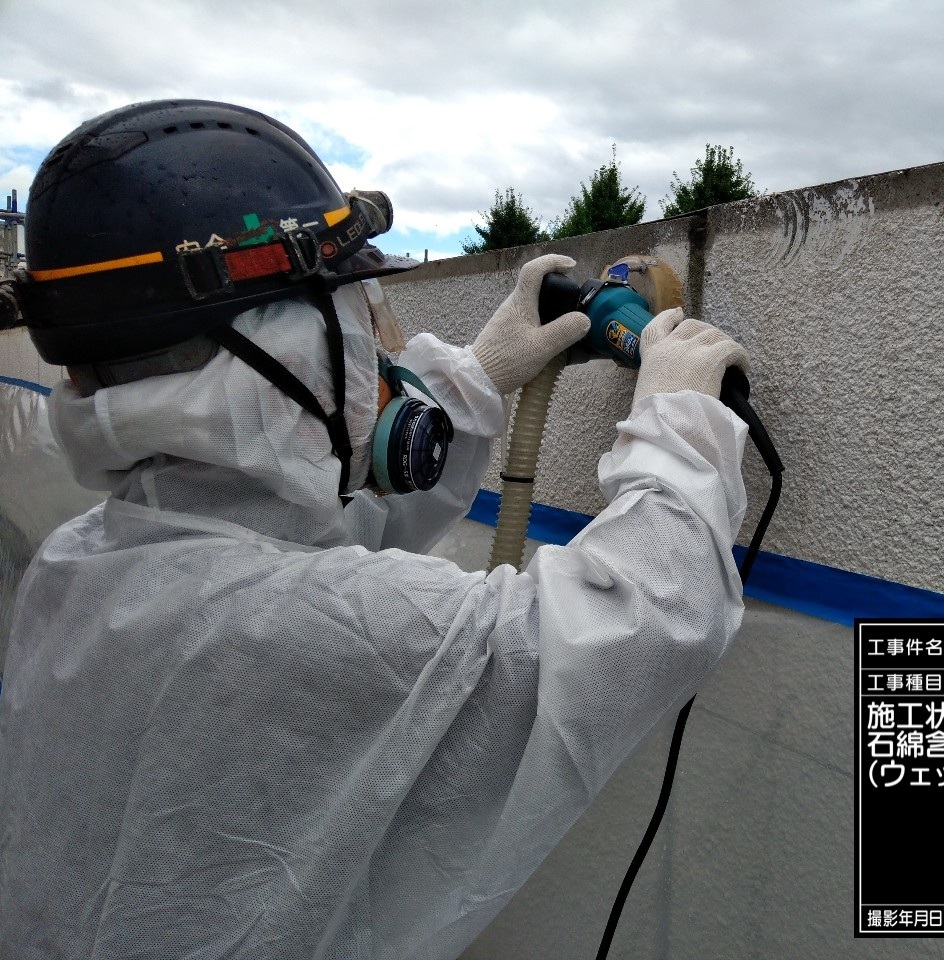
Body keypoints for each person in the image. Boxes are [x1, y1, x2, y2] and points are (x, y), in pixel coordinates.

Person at [0, 100, 750, 958]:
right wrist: (680, 420)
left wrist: (474, 379)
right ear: (283, 351)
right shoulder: (284, 622)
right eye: (360, 325)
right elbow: (637, 624)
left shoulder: (83, 561)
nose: (381, 356)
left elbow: (310, 542)